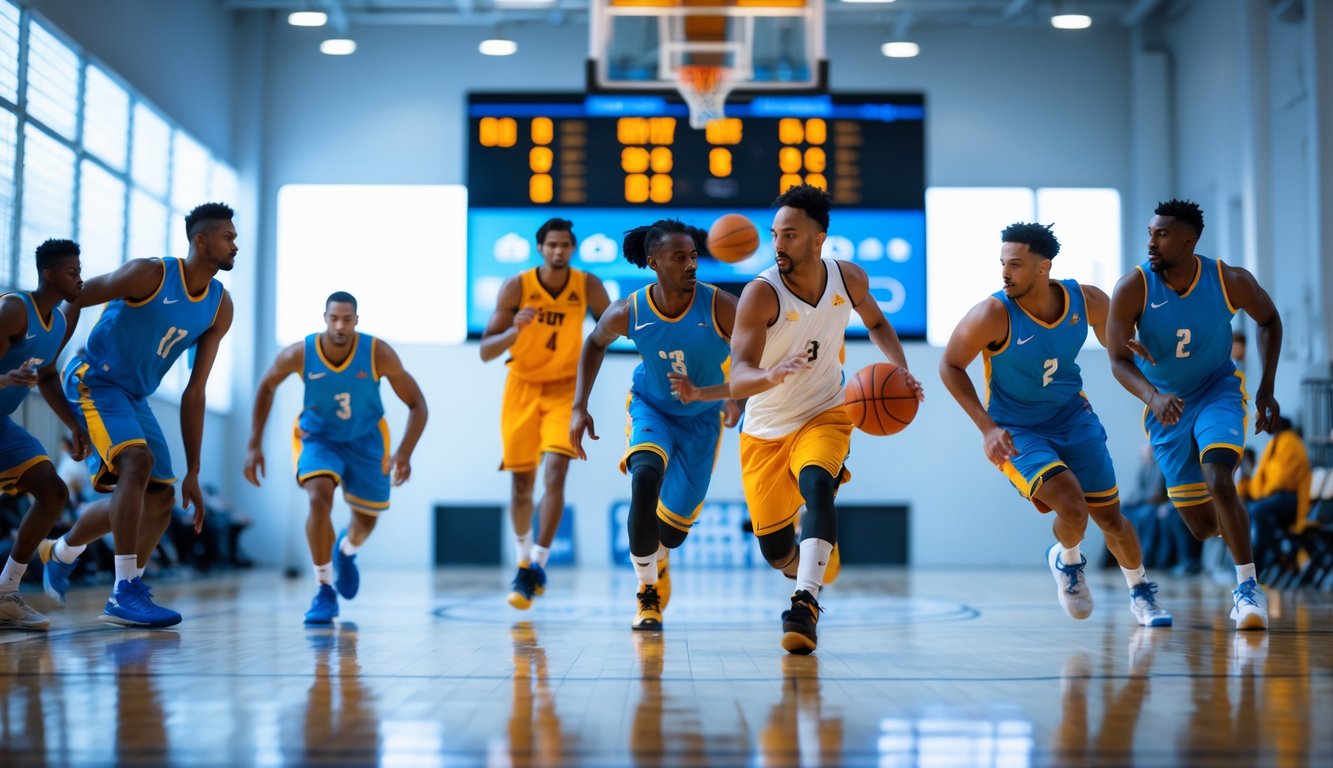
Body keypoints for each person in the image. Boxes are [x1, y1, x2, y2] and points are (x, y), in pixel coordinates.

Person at [939, 222, 1172, 627]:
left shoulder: (1086, 300)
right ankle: (1068, 561)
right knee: (1071, 505)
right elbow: (950, 365)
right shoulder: (993, 314)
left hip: (1072, 416)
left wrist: (1125, 340)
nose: (1005, 273)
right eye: (1002, 264)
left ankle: (1141, 593)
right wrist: (987, 428)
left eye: (1015, 264)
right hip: (1017, 430)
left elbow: (1111, 331)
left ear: (1043, 267)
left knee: (1112, 520)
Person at [728, 184, 923, 654]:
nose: (777, 244)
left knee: (818, 483)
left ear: (818, 240)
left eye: (789, 235)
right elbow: (737, 378)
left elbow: (877, 324)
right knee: (776, 554)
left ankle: (805, 603)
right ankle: (805, 558)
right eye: (774, 234)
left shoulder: (849, 279)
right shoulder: (760, 295)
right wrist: (770, 373)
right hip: (765, 430)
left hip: (826, 412)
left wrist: (900, 369)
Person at [37, 202, 237, 628]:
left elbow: (196, 390)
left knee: (161, 497)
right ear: (201, 241)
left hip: (134, 395)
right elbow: (77, 296)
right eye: (228, 237)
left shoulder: (220, 306)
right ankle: (124, 590)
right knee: (136, 462)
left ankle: (63, 552)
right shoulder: (150, 273)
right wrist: (49, 358)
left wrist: (195, 471)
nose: (235, 244)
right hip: (94, 378)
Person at [1106, 199, 1283, 630]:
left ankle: (1246, 589)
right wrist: (1152, 396)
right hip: (1166, 407)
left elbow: (1269, 320)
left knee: (1219, 478)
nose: (1151, 241)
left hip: (1217, 390)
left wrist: (1265, 388)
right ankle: (1237, 529)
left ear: (1189, 241)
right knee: (1204, 527)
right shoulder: (1133, 288)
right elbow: (1116, 359)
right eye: (1149, 232)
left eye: (1161, 234)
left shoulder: (1229, 280)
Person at [569, 219, 740, 630]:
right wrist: (579, 405)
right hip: (651, 406)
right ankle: (646, 592)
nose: (690, 265)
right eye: (679, 257)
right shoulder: (630, 311)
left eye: (694, 256)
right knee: (644, 478)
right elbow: (594, 343)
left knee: (672, 533)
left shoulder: (720, 305)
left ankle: (660, 558)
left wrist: (736, 394)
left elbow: (752, 354)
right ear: (655, 262)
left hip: (702, 418)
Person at [244, 292, 428, 624]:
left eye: (347, 319)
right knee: (318, 498)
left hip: (366, 439)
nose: (340, 325)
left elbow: (418, 404)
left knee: (366, 522)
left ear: (357, 320)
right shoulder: (302, 353)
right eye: (334, 318)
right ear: (324, 318)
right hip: (318, 437)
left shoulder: (378, 353)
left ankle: (346, 551)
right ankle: (324, 589)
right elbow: (267, 385)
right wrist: (254, 443)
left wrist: (404, 452)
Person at [480, 218, 610, 609]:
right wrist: (513, 332)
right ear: (540, 248)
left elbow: (614, 326)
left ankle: (537, 564)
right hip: (521, 387)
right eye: (552, 245)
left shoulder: (586, 285)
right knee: (521, 483)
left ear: (573, 249)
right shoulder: (517, 286)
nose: (558, 251)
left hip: (563, 390)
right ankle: (522, 560)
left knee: (556, 471)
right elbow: (486, 350)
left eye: (565, 245)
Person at [0, 239, 89, 630]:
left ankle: (5, 591)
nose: (80, 278)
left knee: (54, 492)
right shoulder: (14, 310)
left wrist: (74, 423)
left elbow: (49, 376)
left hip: (2, 425)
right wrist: (4, 378)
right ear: (49, 274)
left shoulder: (59, 323)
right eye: (73, 272)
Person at [1247, 416, 1311, 574]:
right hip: (1275, 499)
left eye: (1269, 422)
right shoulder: (1273, 443)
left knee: (1258, 511)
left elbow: (1282, 479)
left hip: (1292, 498)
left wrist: (1264, 491)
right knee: (1258, 515)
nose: (1266, 427)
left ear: (1279, 423)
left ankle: (1276, 559)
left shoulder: (1291, 441)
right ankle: (1279, 558)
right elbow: (1261, 477)